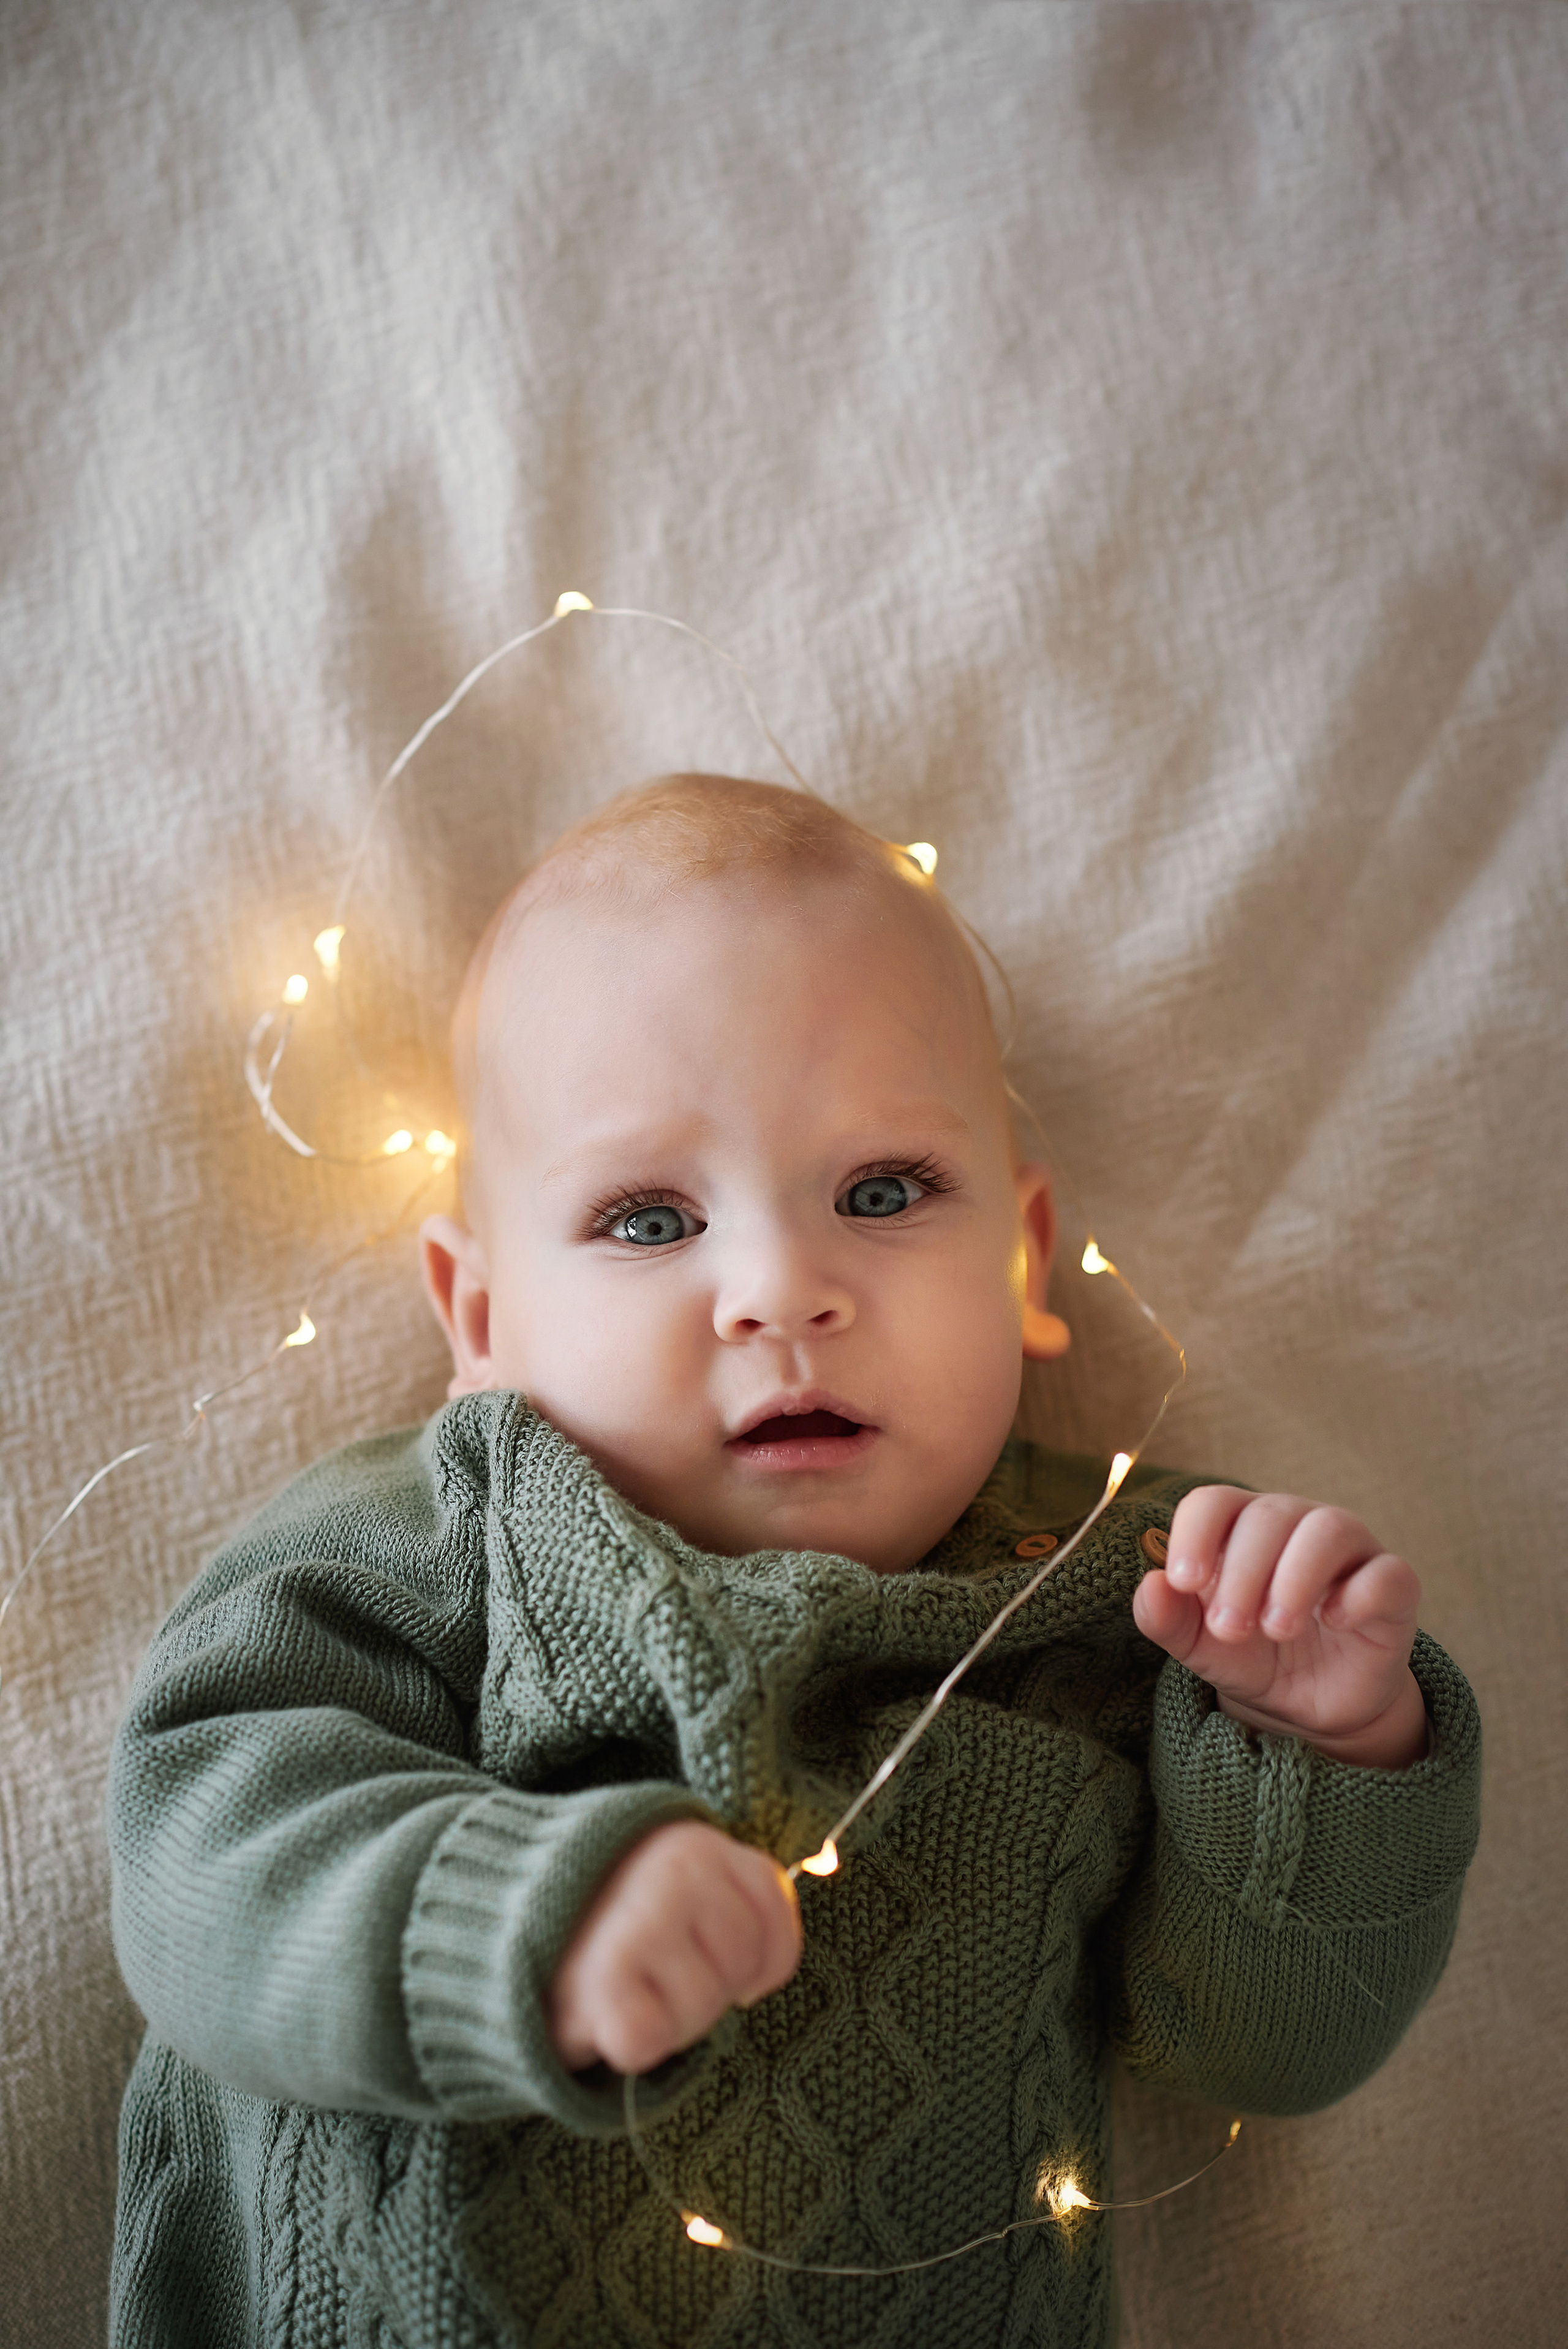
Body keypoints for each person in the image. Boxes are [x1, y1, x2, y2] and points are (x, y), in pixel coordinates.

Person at [108, 775, 1480, 2348]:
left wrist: (1319, 1751)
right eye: (644, 1220)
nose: (778, 1288)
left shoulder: (1126, 1592)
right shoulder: (433, 1543)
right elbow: (197, 1843)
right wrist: (515, 1917)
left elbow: (1263, 2051)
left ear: (1023, 1263)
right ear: (479, 1318)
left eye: (882, 1192)